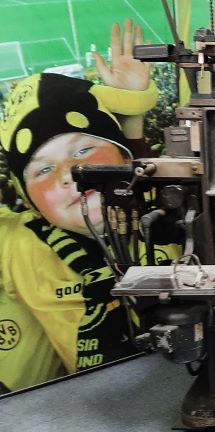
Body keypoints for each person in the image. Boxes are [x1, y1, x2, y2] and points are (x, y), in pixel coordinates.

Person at [0, 20, 159, 392]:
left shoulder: (178, 212)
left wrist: (132, 119)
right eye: (43, 170)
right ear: (29, 201)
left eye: (84, 150)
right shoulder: (19, 245)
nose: (70, 175)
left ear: (124, 156)